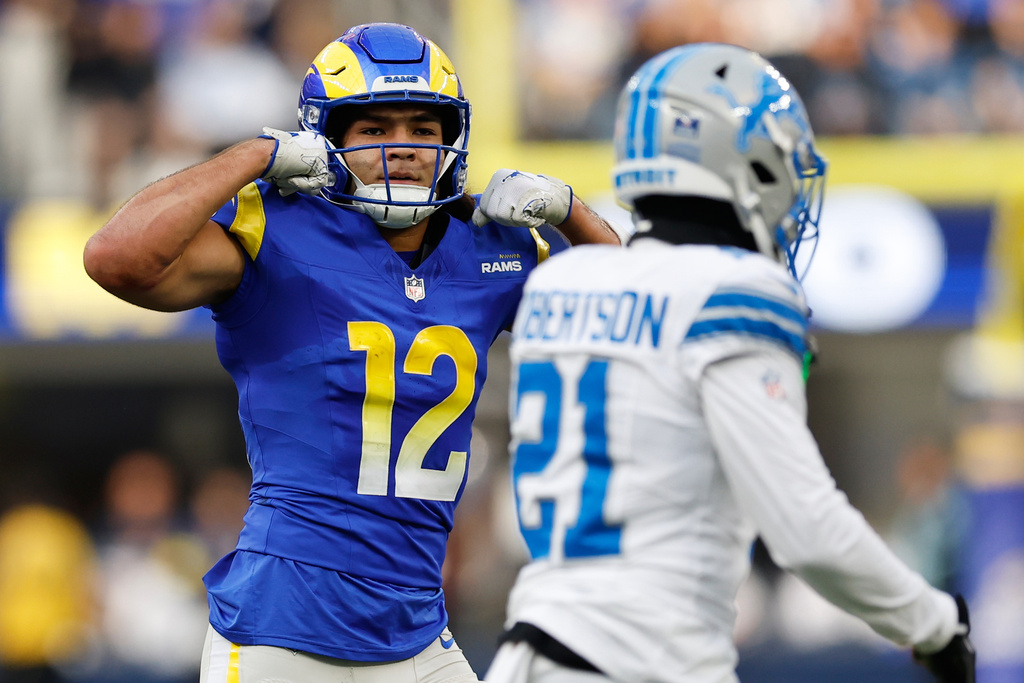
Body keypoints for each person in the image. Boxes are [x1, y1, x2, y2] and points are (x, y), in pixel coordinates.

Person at [83, 22, 620, 683]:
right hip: (281, 632)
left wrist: (571, 211)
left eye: (422, 129)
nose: (402, 149)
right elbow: (115, 258)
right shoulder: (276, 228)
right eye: (374, 130)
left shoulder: (489, 247)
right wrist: (252, 155)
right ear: (325, 138)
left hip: (415, 631)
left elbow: (633, 319)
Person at [487, 43, 975, 683]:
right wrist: (934, 623)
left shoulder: (563, 282)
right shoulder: (734, 289)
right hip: (640, 659)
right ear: (741, 161)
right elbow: (806, 528)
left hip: (528, 650)